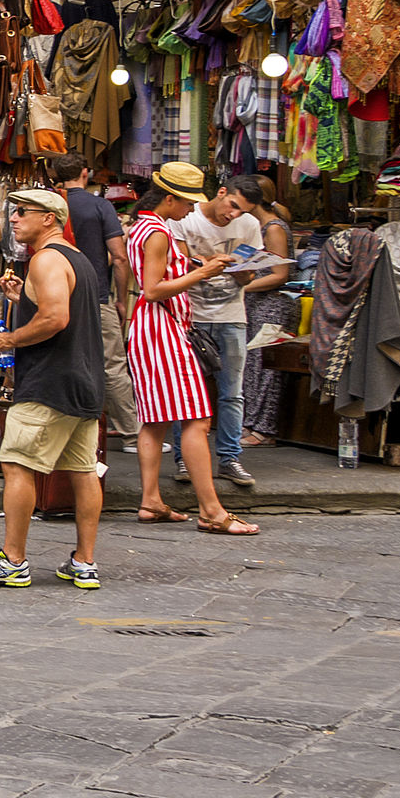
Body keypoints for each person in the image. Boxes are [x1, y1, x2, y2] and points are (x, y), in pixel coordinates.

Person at [0, 188, 105, 590]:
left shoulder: (46, 259)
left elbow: (56, 318)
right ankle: (84, 562)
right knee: (83, 470)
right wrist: (22, 299)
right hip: (84, 381)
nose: (14, 219)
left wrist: (10, 339)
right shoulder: (79, 261)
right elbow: (63, 312)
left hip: (50, 383)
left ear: (50, 219)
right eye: (13, 212)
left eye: (23, 212)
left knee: (17, 465)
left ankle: (13, 560)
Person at [127, 163, 259, 533]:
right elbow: (153, 288)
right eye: (186, 203)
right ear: (170, 198)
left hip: (149, 328)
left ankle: (151, 501)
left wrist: (202, 265)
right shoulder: (157, 232)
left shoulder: (143, 227)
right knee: (197, 418)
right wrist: (201, 273)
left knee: (155, 422)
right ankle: (212, 511)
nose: (189, 211)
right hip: (162, 328)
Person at [168, 169, 268, 487]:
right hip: (191, 315)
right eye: (233, 205)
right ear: (222, 192)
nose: (233, 215)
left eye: (242, 211)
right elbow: (179, 264)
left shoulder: (249, 226)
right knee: (185, 391)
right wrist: (209, 262)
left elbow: (249, 277)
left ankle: (229, 458)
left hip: (231, 314)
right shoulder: (186, 218)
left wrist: (239, 269)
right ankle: (184, 459)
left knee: (232, 393)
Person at [47, 152, 138, 442]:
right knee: (112, 364)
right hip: (96, 295)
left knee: (58, 359)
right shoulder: (100, 206)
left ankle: (61, 428)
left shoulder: (48, 206)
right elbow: (120, 258)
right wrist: (121, 298)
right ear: (85, 173)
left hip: (55, 295)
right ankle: (131, 433)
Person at [234, 179, 299, 446]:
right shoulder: (255, 228)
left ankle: (264, 429)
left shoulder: (274, 229)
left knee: (265, 366)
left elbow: (280, 274)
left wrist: (243, 287)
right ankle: (252, 424)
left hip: (272, 305)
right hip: (254, 304)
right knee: (251, 366)